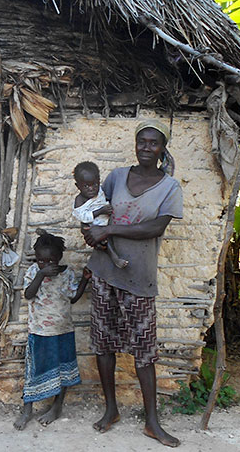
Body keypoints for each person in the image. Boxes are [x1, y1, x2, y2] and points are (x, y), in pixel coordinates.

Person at [82, 120, 183, 448]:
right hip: (104, 272)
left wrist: (109, 232)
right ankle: (111, 409)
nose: (146, 148)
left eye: (153, 143)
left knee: (144, 351)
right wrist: (92, 231)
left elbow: (154, 228)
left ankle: (152, 422)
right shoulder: (115, 178)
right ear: (136, 144)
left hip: (138, 278)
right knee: (103, 343)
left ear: (162, 148)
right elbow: (99, 213)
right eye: (142, 142)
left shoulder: (169, 187)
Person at [13, 231, 89, 430]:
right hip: (39, 331)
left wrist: (85, 280)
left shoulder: (67, 273)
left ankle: (57, 407)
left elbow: (73, 297)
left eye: (51, 260)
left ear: (59, 258)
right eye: (41, 261)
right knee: (34, 370)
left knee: (63, 370)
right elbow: (29, 295)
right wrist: (40, 275)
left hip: (63, 330)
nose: (46, 265)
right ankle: (27, 409)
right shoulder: (33, 272)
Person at [72, 161, 128, 269]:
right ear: (77, 186)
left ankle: (101, 247)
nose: (91, 188)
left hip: (105, 222)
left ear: (99, 181)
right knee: (105, 243)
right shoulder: (80, 200)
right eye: (86, 186)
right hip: (93, 227)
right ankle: (115, 258)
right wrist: (100, 211)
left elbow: (103, 200)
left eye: (95, 184)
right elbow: (81, 216)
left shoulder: (100, 192)